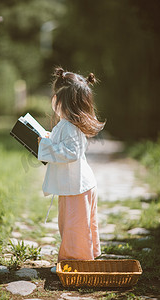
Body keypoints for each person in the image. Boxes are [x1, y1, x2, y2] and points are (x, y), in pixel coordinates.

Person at [37, 67, 106, 273]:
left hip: (77, 187)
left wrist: (46, 145)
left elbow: (71, 152)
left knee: (74, 227)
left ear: (61, 101)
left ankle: (74, 263)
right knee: (70, 224)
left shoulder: (69, 126)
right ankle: (80, 258)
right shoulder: (67, 124)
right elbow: (66, 147)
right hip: (74, 186)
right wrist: (49, 139)